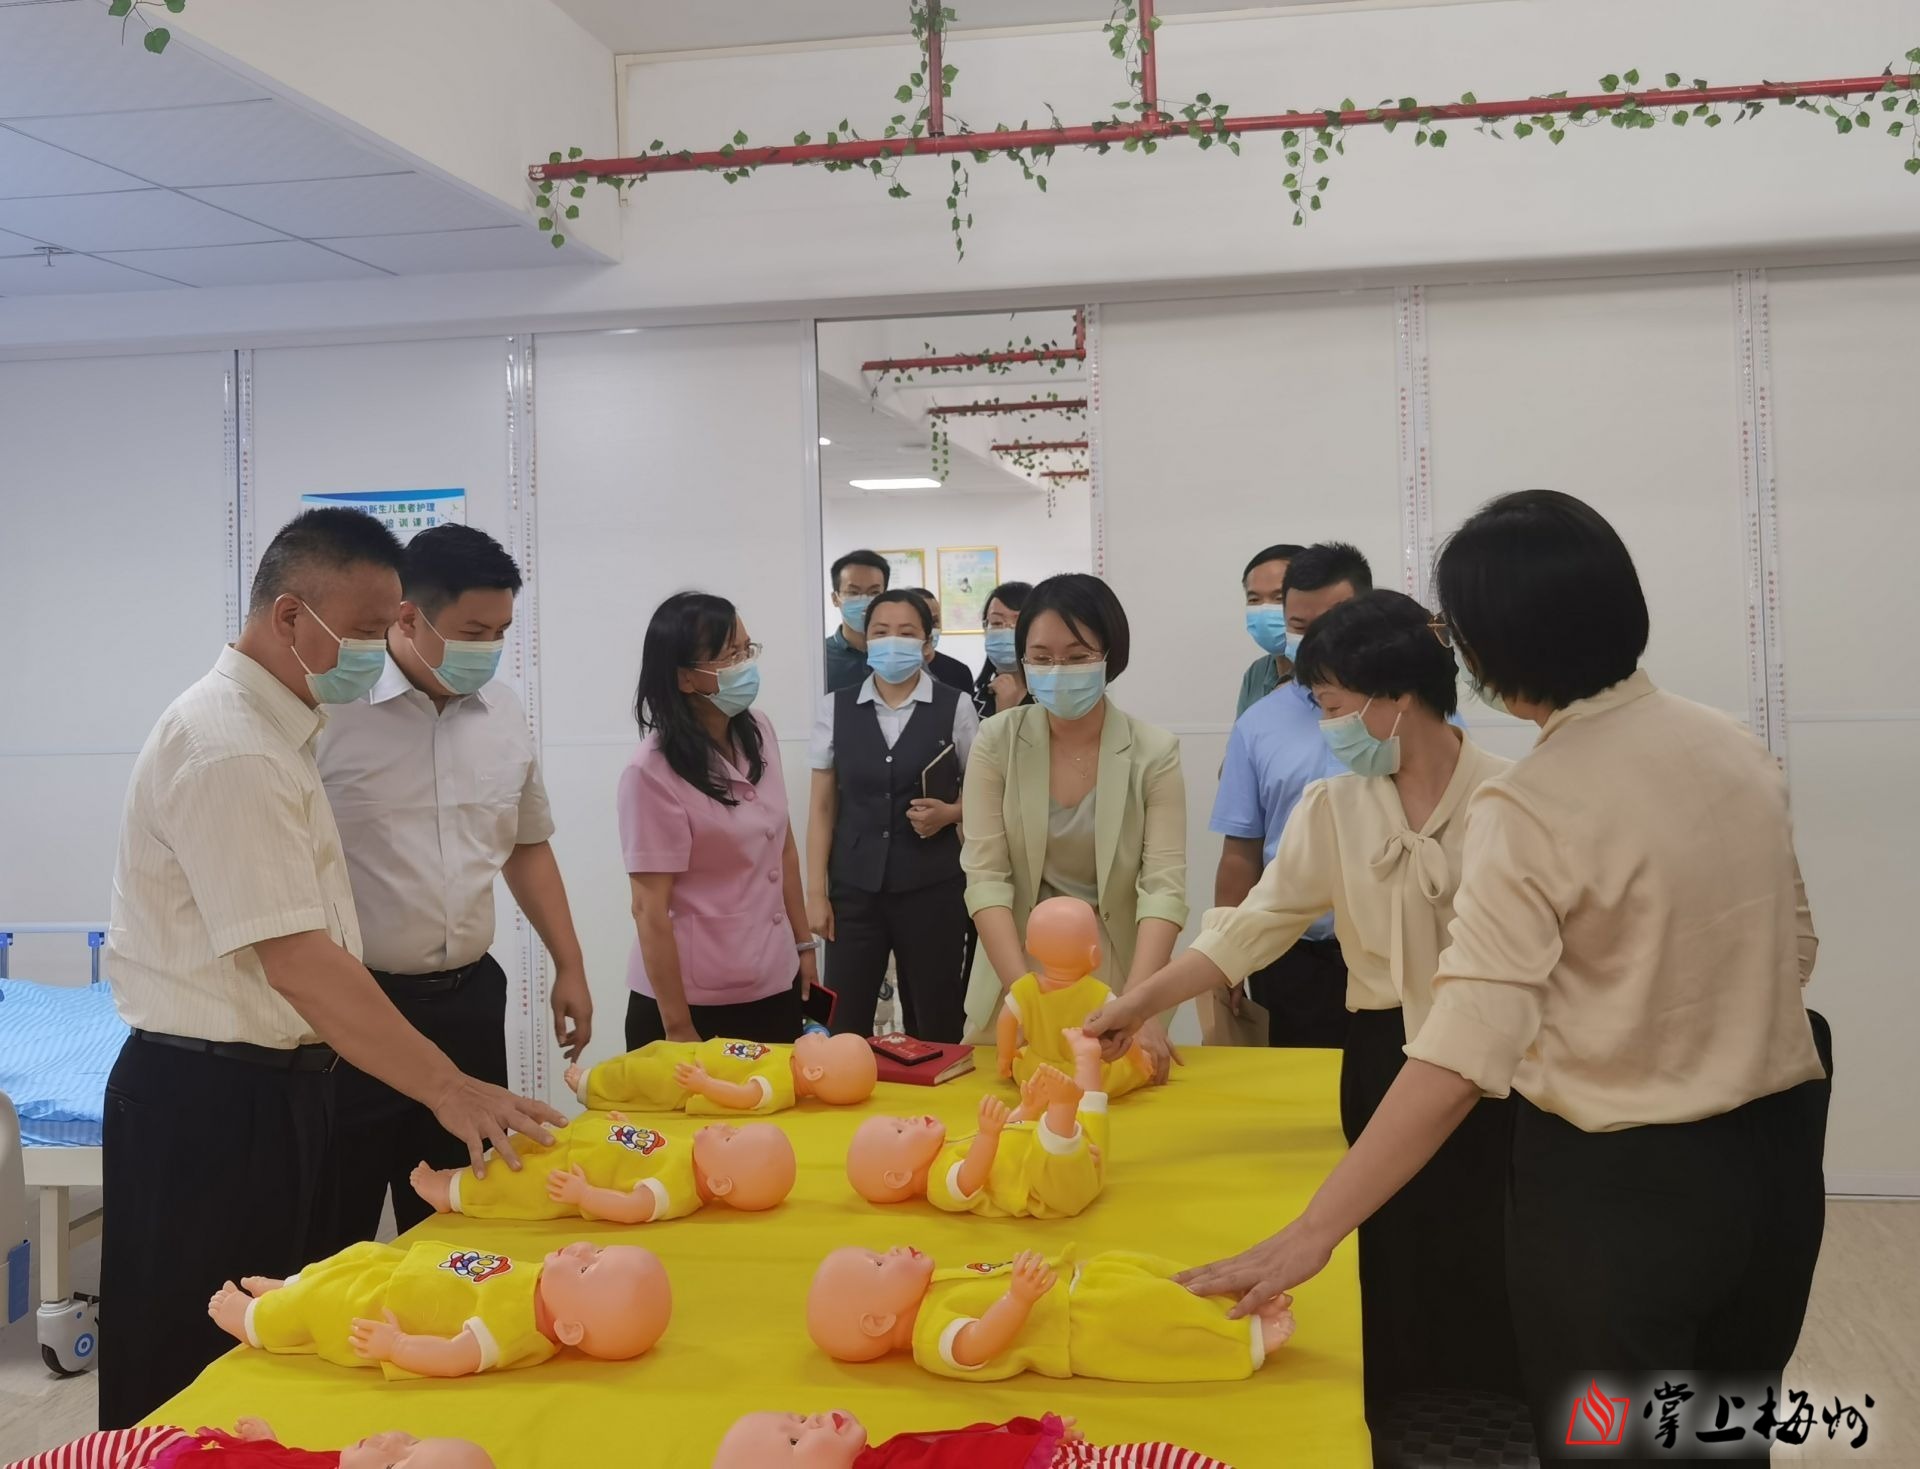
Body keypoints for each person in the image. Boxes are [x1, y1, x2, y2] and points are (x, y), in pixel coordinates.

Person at [1173, 492, 1831, 1467]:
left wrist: (1311, 1232)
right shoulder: (1734, 744)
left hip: (1622, 1188)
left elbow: (1461, 1052)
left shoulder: (1530, 802)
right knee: (1720, 1429)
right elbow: (1797, 948)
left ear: (1493, 648)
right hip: (1775, 1168)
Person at [100, 508, 561, 1428]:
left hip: (286, 1083)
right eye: (364, 630)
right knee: (196, 1366)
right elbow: (299, 960)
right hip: (211, 1101)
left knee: (285, 1342)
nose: (379, 650)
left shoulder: (284, 729)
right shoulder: (230, 745)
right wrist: (447, 1086)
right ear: (289, 616)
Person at [1086, 590, 1518, 1421]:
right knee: (1391, 1238)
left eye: (1330, 704)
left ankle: (1497, 1409)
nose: (1326, 726)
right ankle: (1399, 1408)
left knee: (1490, 1230)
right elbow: (1252, 928)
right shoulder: (1335, 804)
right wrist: (1140, 1003)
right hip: (1385, 1049)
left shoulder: (1510, 799)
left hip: (1501, 1062)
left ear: (1395, 698)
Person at [316, 524, 593, 1249]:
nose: (489, 649)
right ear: (407, 617)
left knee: (465, 1220)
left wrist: (569, 963)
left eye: (501, 632)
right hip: (352, 1012)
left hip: (467, 1003)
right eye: (473, 632)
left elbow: (526, 843)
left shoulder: (503, 713)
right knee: (335, 1222)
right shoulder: (328, 713)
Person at [959, 573, 1186, 1078]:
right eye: (1041, 658)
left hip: (1117, 981)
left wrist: (1138, 1005)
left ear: (1110, 656)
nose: (1058, 671)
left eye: (1077, 656)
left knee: (1111, 1105)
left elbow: (1163, 890)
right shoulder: (997, 741)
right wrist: (1024, 996)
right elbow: (986, 878)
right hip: (1016, 973)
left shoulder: (1154, 752)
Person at [622, 591, 816, 1047]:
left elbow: (783, 849)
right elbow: (649, 908)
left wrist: (804, 946)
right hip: (693, 1003)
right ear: (685, 678)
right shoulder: (651, 771)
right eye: (731, 656)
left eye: (747, 650)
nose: (745, 665)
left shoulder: (759, 731)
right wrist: (678, 1027)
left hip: (774, 981)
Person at [1211, 542, 1370, 1049]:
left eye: (1332, 623)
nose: (1318, 641)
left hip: (1394, 950)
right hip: (1290, 954)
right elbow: (1241, 851)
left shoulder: (1418, 712)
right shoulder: (1259, 723)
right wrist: (1223, 954)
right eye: (1300, 626)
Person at [807, 588, 978, 1040]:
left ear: (927, 643)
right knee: (843, 1018)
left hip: (933, 885)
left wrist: (952, 813)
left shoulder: (956, 705)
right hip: (853, 888)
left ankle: (935, 1088)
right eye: (881, 632)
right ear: (866, 640)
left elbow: (986, 793)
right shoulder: (835, 707)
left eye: (906, 632)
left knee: (936, 1016)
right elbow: (822, 806)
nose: (892, 641)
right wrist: (816, 892)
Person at [1236, 542, 1304, 719]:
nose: (1265, 609)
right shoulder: (1257, 672)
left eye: (1279, 598)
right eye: (1254, 599)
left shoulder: (1338, 672)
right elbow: (1242, 734)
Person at [823, 549, 891, 693]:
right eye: (853, 592)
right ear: (835, 599)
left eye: (874, 592)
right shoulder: (820, 657)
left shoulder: (898, 651)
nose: (865, 601)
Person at [972, 579, 1035, 719]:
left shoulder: (1052, 701)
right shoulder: (971, 704)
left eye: (1018, 623)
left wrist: (1006, 712)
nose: (1006, 630)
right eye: (997, 623)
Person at [915, 589, 978, 696]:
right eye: (922, 622)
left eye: (934, 622)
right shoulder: (893, 673)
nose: (929, 630)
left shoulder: (960, 672)